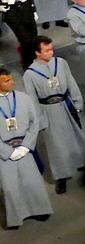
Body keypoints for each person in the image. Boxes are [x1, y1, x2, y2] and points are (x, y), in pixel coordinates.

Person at [23, 37, 85, 194]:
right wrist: (40, 119)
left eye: (52, 49)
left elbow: (71, 83)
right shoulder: (30, 74)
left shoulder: (60, 63)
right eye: (47, 50)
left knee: (77, 135)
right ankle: (61, 176)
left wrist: (77, 102)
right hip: (48, 109)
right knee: (56, 144)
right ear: (37, 52)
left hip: (66, 104)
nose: (51, 52)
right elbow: (32, 100)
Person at [0, 67, 53, 228]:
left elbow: (34, 122)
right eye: (7, 80)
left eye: (11, 79)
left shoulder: (24, 98)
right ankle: (16, 217)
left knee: (32, 181)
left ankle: (40, 210)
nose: (12, 82)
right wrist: (7, 152)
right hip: (5, 151)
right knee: (11, 187)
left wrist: (26, 146)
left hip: (24, 147)